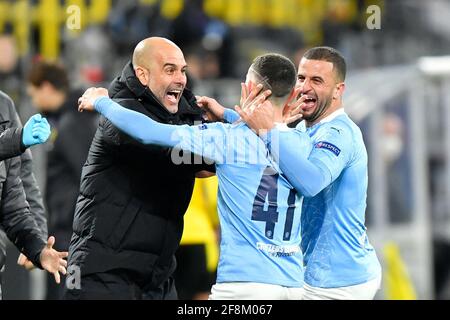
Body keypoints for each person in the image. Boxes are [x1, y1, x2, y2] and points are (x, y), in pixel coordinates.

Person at [78, 53, 309, 300]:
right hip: (294, 283)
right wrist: (229, 115)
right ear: (291, 95)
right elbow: (266, 136)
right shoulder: (302, 142)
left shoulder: (225, 139)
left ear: (249, 88)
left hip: (244, 284)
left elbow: (148, 131)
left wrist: (103, 102)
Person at [64, 37, 213, 300]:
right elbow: (175, 151)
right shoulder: (120, 112)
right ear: (143, 75)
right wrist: (226, 139)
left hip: (157, 276)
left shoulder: (183, 114)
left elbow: (202, 166)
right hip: (104, 272)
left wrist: (230, 125)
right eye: (170, 69)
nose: (180, 79)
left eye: (183, 70)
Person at [232, 46, 382, 300]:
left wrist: (269, 131)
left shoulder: (339, 133)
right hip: (313, 274)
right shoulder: (303, 127)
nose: (305, 87)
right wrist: (230, 117)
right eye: (301, 78)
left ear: (338, 90)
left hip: (339, 282)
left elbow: (312, 182)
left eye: (317, 80)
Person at [26, 60, 99, 299]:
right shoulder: (69, 120)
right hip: (68, 233)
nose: (34, 101)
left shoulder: (71, 125)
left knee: (68, 294)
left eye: (34, 93)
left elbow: (88, 177)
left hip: (72, 236)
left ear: (46, 87)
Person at [0, 91, 68, 299]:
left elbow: (14, 201)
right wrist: (16, 139)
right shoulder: (15, 137)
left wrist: (37, 248)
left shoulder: (3, 105)